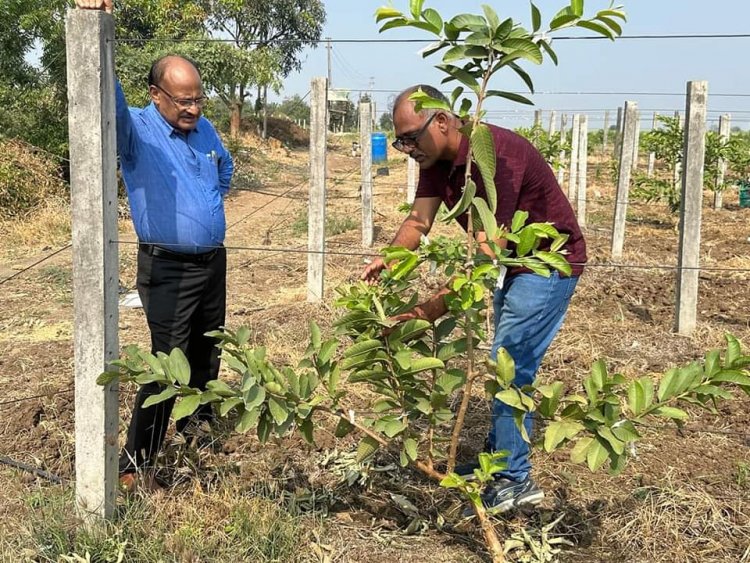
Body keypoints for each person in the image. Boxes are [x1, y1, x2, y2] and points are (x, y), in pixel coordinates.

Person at [362, 85, 586, 513]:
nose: (406, 148)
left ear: (443, 122)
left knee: (510, 365)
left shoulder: (495, 154)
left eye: (411, 136)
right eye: (400, 140)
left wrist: (428, 312)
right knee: (502, 360)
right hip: (512, 264)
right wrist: (387, 260)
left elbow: (487, 256)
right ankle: (496, 461)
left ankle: (514, 480)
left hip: (546, 262)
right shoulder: (436, 159)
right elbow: (418, 220)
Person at [74, 0, 235, 492]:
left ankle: (195, 432)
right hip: (167, 269)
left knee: (208, 352)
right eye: (183, 101)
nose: (192, 109)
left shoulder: (203, 128)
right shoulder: (137, 130)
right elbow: (109, 96)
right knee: (168, 362)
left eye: (198, 99)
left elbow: (223, 167)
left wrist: (206, 204)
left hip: (212, 263)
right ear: (156, 95)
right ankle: (134, 463)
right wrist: (95, 24)